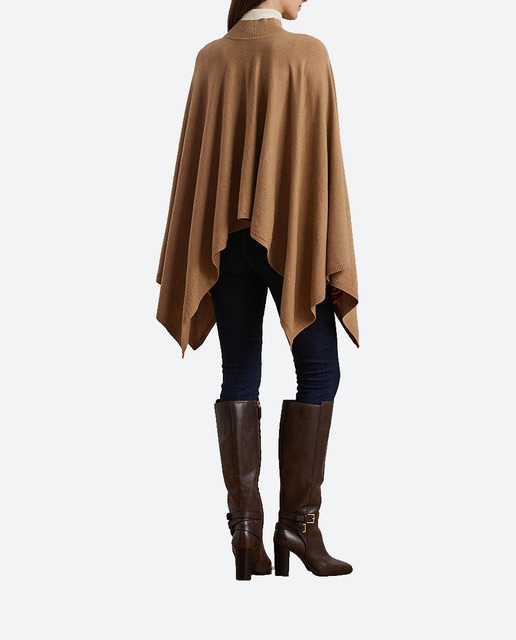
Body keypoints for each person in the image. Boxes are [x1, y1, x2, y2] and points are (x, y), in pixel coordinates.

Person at [156, 0, 359, 580]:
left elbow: (200, 166)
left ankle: (245, 532)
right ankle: (299, 526)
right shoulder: (308, 54)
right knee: (319, 373)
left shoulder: (211, 59)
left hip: (222, 244)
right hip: (290, 240)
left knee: (239, 374)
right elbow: (318, 166)